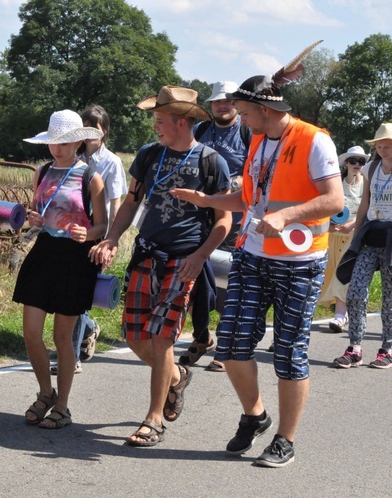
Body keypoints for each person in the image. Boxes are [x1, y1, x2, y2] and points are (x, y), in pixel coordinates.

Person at [173, 57, 344, 466]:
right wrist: (208, 200)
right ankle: (255, 416)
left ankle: (285, 439)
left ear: (266, 111)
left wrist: (286, 216)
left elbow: (334, 200)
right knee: (232, 346)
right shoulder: (257, 139)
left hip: (300, 262)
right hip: (251, 255)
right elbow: (251, 199)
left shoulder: (313, 140)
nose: (242, 121)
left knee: (288, 353)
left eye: (246, 113)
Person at [91, 85, 231, 447]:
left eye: (160, 120)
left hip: (184, 260)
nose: (155, 126)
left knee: (162, 336)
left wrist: (200, 257)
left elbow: (223, 221)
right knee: (136, 338)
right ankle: (177, 376)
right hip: (146, 253)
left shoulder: (211, 161)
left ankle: (153, 419)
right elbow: (131, 202)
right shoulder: (148, 155)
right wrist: (112, 237)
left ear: (182, 122)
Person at [13, 109, 107, 429]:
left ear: (78, 142)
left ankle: (63, 407)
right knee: (30, 333)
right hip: (44, 252)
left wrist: (88, 234)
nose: (57, 148)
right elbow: (38, 213)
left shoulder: (91, 177)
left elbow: (103, 226)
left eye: (64, 142)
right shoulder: (41, 172)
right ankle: (45, 392)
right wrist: (33, 219)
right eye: (53, 141)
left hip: (75, 259)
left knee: (62, 338)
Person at [334, 123, 392, 370]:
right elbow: (365, 203)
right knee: (355, 292)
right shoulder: (370, 168)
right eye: (379, 146)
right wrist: (354, 228)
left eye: (387, 146)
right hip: (370, 234)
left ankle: (387, 350)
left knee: (390, 298)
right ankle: (355, 348)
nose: (382, 150)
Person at [51, 104, 127, 375]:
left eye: (96, 127)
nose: (92, 133)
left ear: (104, 131)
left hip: (95, 234)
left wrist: (110, 241)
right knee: (67, 293)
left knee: (79, 293)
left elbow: (115, 204)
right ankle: (88, 329)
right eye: (86, 127)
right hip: (68, 234)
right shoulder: (71, 157)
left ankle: (71, 357)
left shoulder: (112, 163)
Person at [182, 80, 252, 372]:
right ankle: (202, 335)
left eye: (228, 101)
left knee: (230, 282)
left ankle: (225, 345)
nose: (222, 106)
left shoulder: (248, 133)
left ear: (237, 105)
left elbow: (258, 172)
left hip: (236, 221)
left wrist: (231, 184)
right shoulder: (201, 131)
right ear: (210, 106)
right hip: (202, 219)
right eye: (217, 102)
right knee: (198, 279)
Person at [319, 146, 368, 333]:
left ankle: (339, 316)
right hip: (332, 235)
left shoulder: (366, 184)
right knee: (328, 274)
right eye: (353, 161)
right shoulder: (337, 183)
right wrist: (328, 225)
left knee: (343, 273)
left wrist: (353, 224)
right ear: (346, 163)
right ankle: (343, 312)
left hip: (354, 237)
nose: (357, 165)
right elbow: (326, 205)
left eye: (361, 161)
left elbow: (369, 209)